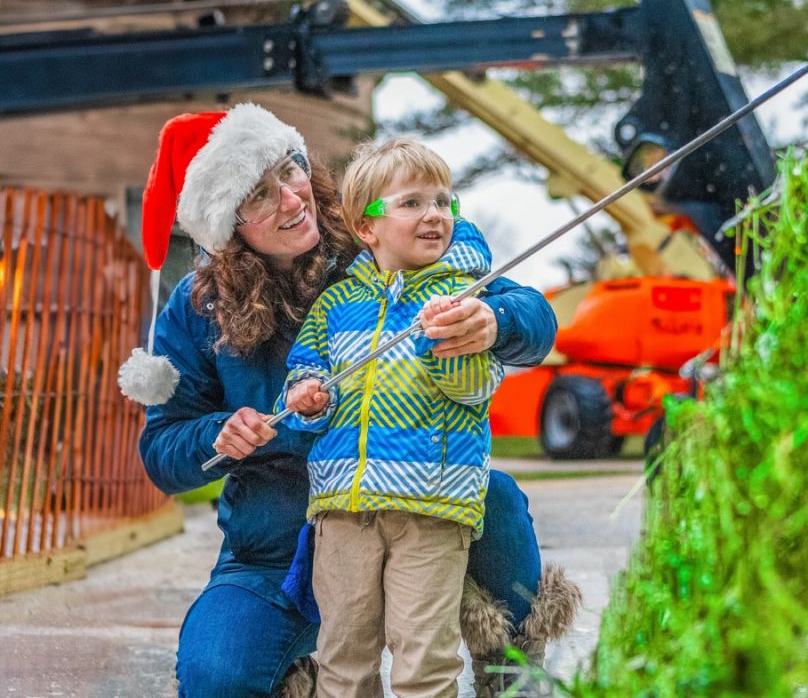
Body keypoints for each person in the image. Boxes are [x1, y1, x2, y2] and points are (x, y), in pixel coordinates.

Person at [124, 104, 580, 698]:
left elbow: (533, 316)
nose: (292, 199)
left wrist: (494, 320)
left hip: (418, 498)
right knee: (217, 678)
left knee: (491, 496)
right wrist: (217, 433)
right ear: (225, 226)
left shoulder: (382, 235)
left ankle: (511, 667)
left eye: (290, 170)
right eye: (259, 195)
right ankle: (299, 674)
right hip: (278, 539)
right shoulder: (196, 306)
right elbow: (162, 451)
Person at [281, 138, 503, 697]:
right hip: (343, 511)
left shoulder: (467, 297)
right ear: (366, 227)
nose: (435, 214)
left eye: (444, 201)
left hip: (431, 506)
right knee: (343, 656)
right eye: (412, 203)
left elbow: (478, 389)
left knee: (424, 655)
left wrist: (441, 342)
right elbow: (302, 382)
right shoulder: (334, 306)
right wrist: (307, 397)